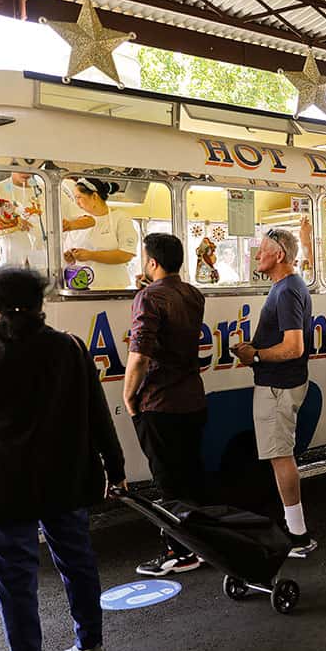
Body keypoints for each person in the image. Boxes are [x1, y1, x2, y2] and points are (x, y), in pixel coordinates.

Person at [0, 267, 125, 651]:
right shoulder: (70, 348)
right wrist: (116, 468)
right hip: (64, 479)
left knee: (16, 582)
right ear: (41, 304)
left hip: (4, 487)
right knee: (78, 564)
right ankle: (90, 646)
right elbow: (98, 414)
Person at [123, 233, 208, 576]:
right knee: (190, 476)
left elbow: (140, 354)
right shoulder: (192, 293)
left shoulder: (149, 298)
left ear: (153, 263)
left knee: (168, 482)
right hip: (192, 397)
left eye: (146, 259)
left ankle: (179, 552)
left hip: (160, 402)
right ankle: (198, 544)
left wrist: (129, 396)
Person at [231, 228, 317, 556]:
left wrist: (255, 355)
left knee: (281, 456)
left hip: (279, 386)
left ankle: (298, 534)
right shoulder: (288, 288)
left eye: (262, 250)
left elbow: (294, 347)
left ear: (279, 255)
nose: (257, 256)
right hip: (280, 383)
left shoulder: (286, 292)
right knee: (280, 454)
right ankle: (292, 524)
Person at [63, 177, 138, 289]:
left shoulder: (120, 217)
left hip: (112, 288)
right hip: (81, 288)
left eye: (79, 197)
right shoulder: (77, 222)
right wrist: (69, 258)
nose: (77, 203)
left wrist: (90, 255)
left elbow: (126, 255)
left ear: (94, 196)